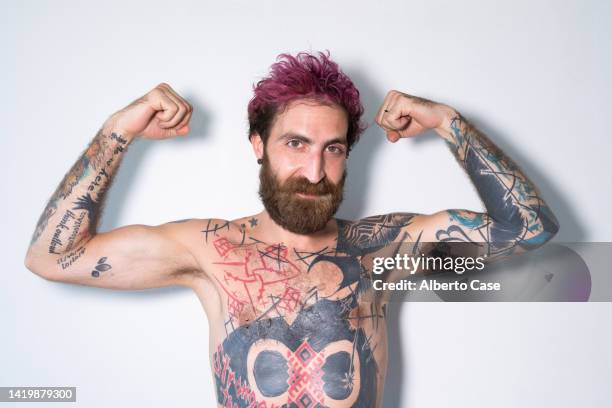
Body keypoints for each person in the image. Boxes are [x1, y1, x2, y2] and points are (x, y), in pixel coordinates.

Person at [24, 51, 559, 407]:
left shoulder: (383, 249)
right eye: (295, 144)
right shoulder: (210, 249)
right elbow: (52, 256)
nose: (313, 171)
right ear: (258, 146)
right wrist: (118, 130)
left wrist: (446, 121)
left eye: (333, 149)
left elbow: (529, 228)